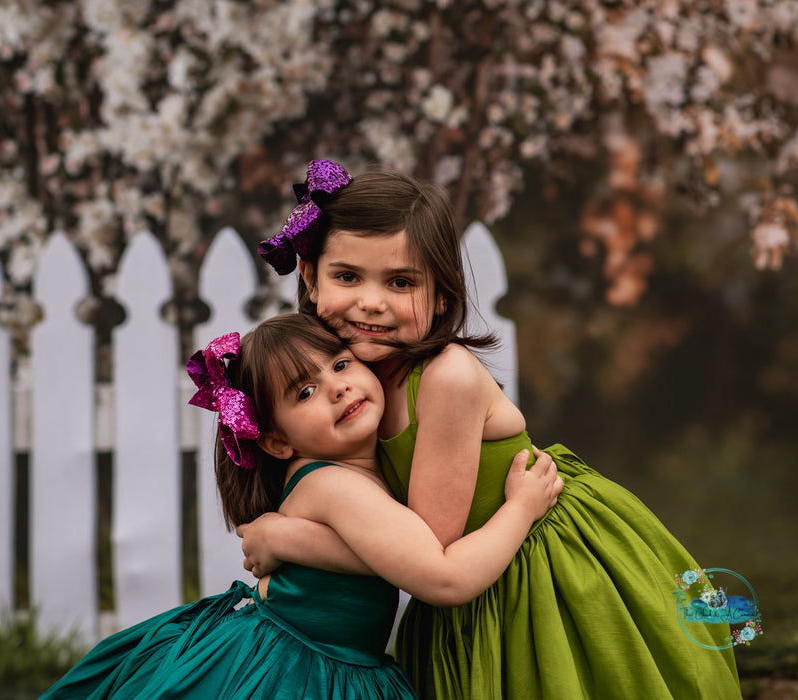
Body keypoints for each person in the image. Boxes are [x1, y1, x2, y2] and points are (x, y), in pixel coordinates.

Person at [245, 160, 744, 698]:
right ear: (310, 279)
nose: (371, 301)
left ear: (440, 296)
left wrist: (287, 537)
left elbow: (430, 550)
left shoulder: (446, 377)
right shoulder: (349, 385)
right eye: (348, 276)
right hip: (474, 571)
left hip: (541, 561)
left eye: (401, 282)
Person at [39, 313, 562, 700]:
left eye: (339, 364)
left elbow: (386, 550)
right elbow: (443, 577)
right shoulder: (336, 485)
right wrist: (520, 507)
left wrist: (282, 537)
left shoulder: (361, 468)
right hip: (299, 671)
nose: (337, 388)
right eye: (305, 391)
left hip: (321, 656)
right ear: (276, 442)